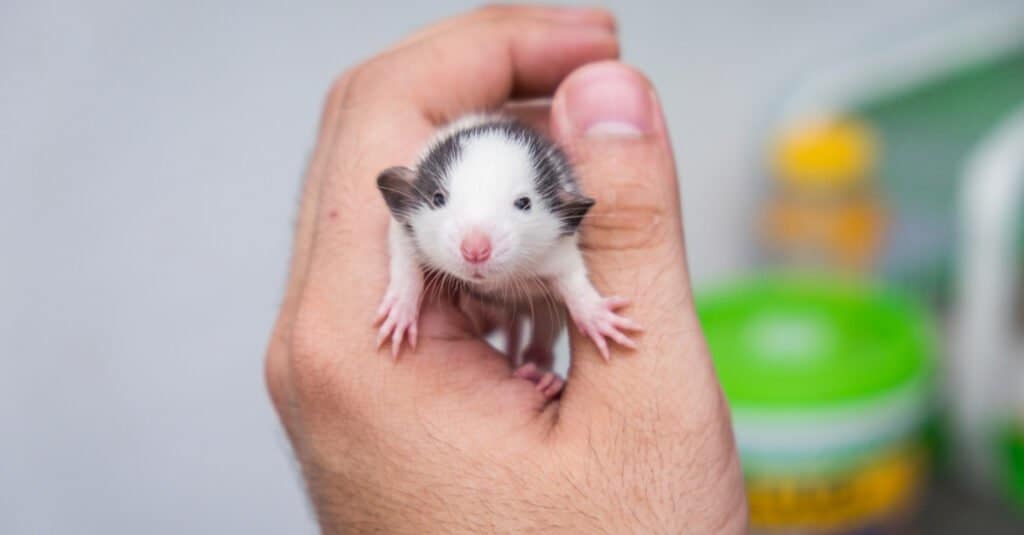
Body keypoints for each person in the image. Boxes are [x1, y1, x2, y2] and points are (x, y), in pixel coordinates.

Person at [264, 5, 747, 533]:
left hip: (534, 275)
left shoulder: (554, 234)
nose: (474, 246)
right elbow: (401, 233)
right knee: (523, 299)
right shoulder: (416, 218)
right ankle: (532, 343)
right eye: (443, 200)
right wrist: (404, 296)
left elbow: (564, 265)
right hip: (491, 228)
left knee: (542, 307)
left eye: (520, 206)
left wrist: (589, 309)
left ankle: (537, 350)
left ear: (558, 210)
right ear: (418, 197)